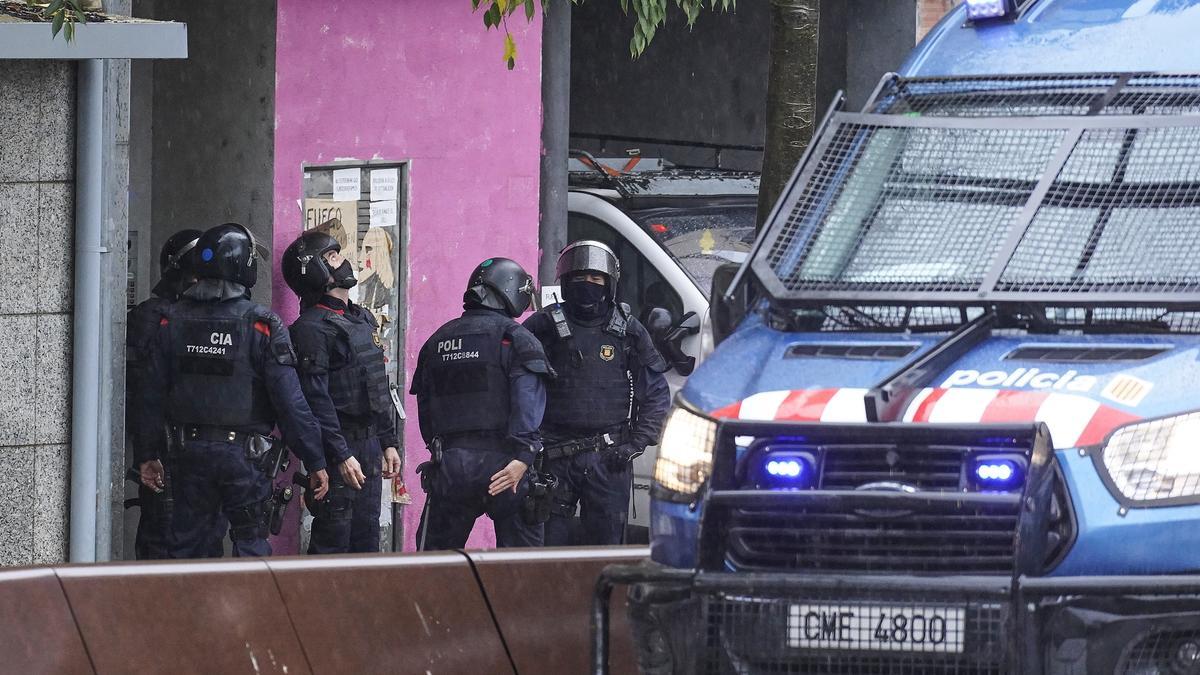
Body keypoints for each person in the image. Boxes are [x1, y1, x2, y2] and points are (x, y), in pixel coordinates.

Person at [136, 223, 332, 558]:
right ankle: (247, 612)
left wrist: (147, 455)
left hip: (186, 458)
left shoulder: (171, 322)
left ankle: (194, 612)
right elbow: (291, 403)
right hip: (244, 461)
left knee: (185, 554)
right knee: (251, 551)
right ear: (246, 266)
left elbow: (150, 395)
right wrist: (314, 460)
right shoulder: (262, 325)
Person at [523, 241, 671, 546]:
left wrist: (637, 443)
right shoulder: (543, 326)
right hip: (552, 458)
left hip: (610, 458)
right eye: (579, 278)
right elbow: (517, 385)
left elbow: (655, 392)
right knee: (547, 554)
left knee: (605, 553)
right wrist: (526, 443)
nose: (587, 286)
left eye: (596, 279)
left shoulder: (628, 330)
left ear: (610, 283)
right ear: (565, 282)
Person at [411, 258, 552, 550]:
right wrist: (524, 457)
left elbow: (425, 406)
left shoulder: (438, 339)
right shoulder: (516, 339)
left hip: (451, 465)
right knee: (520, 572)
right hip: (506, 467)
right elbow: (528, 404)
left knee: (432, 568)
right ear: (511, 292)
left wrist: (441, 453)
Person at [282, 230, 401, 554]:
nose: (343, 261)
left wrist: (388, 441)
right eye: (333, 257)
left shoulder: (360, 318)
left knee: (367, 542)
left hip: (369, 446)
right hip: (340, 448)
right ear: (317, 271)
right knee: (332, 543)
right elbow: (316, 400)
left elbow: (377, 384)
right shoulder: (310, 329)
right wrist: (340, 455)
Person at [125, 228, 221, 559]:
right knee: (163, 552)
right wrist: (148, 453)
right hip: (167, 454)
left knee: (205, 552)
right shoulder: (154, 316)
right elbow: (144, 394)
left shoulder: (218, 315)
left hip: (207, 457)